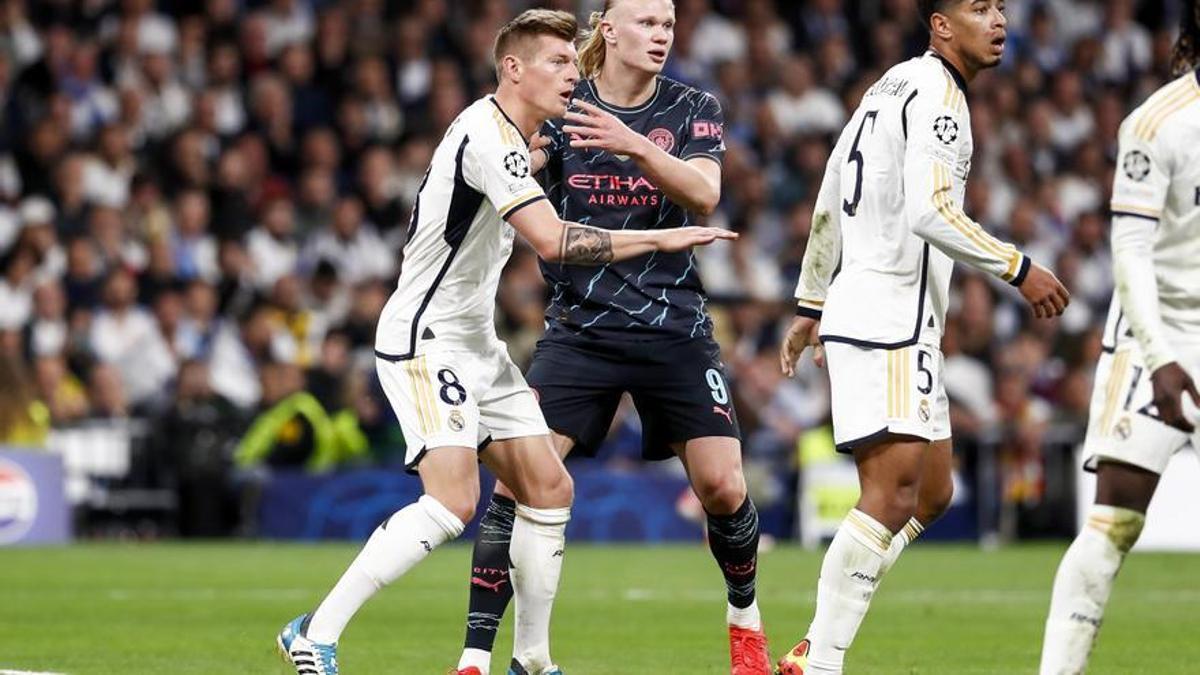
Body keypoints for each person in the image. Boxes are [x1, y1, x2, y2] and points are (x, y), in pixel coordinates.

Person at [275, 10, 736, 675]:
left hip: (475, 344)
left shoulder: (519, 137)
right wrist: (663, 237)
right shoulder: (486, 137)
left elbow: (546, 159)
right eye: (556, 63)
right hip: (425, 339)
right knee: (453, 500)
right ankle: (313, 632)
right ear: (513, 69)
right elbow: (555, 242)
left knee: (549, 485)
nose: (572, 75)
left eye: (574, 64)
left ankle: (532, 659)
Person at [451, 2, 771, 674]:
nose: (661, 35)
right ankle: (476, 656)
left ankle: (745, 619)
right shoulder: (563, 104)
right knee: (516, 485)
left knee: (722, 484)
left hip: (673, 325)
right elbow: (510, 175)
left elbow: (706, 194)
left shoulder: (692, 107)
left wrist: (637, 145)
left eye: (668, 24)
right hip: (580, 331)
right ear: (608, 28)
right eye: (647, 23)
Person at [777, 1, 1069, 673]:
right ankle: (821, 659)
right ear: (940, 24)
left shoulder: (890, 85)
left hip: (888, 315)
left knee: (933, 492)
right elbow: (931, 210)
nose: (997, 19)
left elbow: (830, 188)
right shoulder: (939, 95)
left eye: (1000, 7)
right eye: (978, 8)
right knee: (889, 494)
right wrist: (1018, 267)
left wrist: (811, 299)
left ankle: (815, 644)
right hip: (888, 317)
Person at [1040, 4, 1200, 672]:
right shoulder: (1156, 123)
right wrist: (1161, 358)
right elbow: (1128, 249)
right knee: (1115, 522)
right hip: (1158, 331)